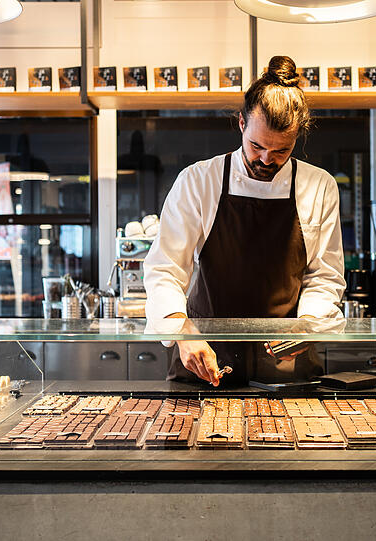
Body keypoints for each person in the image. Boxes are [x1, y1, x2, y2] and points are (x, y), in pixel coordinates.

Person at [144, 55, 345, 387]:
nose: (267, 159)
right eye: (257, 146)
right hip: (205, 356)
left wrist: (307, 325)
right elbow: (165, 269)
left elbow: (325, 276)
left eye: (282, 150)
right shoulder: (199, 180)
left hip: (286, 360)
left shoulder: (319, 186)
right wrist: (182, 331)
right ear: (241, 123)